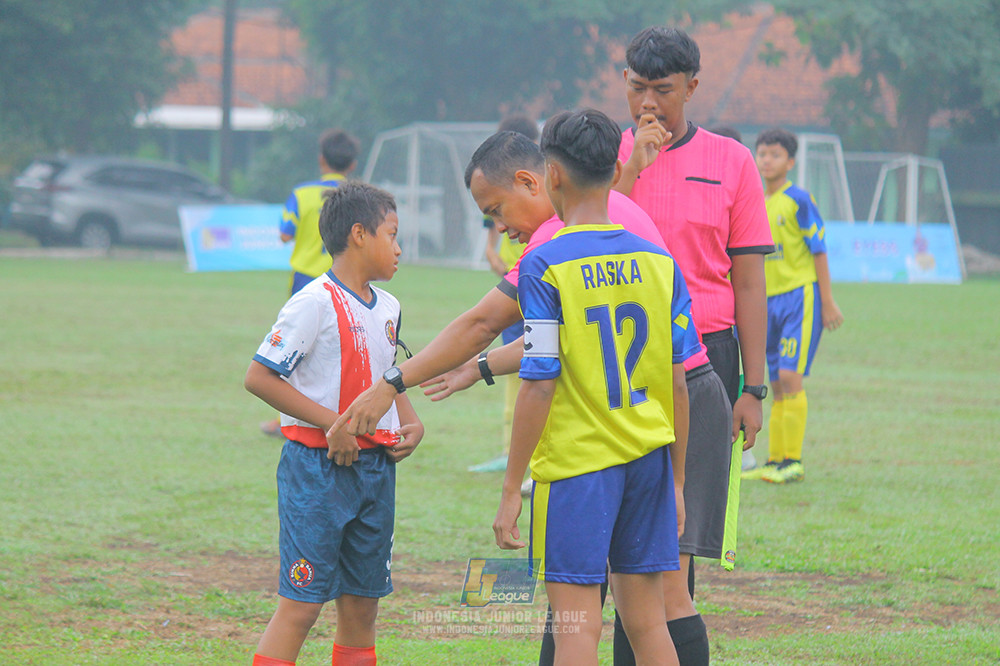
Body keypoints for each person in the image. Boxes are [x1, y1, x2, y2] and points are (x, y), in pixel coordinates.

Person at [494, 107, 697, 666]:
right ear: (616, 168)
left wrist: (512, 488)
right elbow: (677, 381)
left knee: (576, 631)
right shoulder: (660, 262)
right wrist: (676, 481)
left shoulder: (544, 263)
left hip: (580, 468)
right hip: (649, 461)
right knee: (648, 624)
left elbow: (538, 383)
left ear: (551, 175)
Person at [245, 181, 423, 666]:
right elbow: (259, 376)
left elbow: (390, 373)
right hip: (317, 472)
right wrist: (334, 424)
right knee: (301, 607)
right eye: (392, 234)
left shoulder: (389, 307)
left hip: (375, 471)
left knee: (363, 606)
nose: (400, 248)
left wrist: (409, 419)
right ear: (360, 234)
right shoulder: (313, 302)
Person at [743, 127, 844, 484]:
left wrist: (827, 302)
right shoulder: (756, 201)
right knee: (775, 382)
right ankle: (775, 460)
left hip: (800, 296)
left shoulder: (798, 199)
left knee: (790, 376)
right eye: (762, 153)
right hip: (767, 302)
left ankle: (793, 460)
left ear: (791, 161)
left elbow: (819, 250)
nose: (767, 160)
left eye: (775, 154)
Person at [261, 128, 361, 439]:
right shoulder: (360, 196)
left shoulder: (301, 194)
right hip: (346, 279)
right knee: (343, 348)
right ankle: (345, 413)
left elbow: (284, 234)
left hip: (305, 281)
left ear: (321, 160)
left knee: (297, 350)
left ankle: (288, 419)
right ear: (353, 164)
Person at [469, 115, 537, 474]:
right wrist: (492, 254)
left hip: (524, 285)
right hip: (513, 283)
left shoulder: (546, 246)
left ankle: (520, 453)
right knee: (521, 361)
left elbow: (479, 326)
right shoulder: (509, 214)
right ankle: (512, 450)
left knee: (531, 362)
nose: (500, 224)